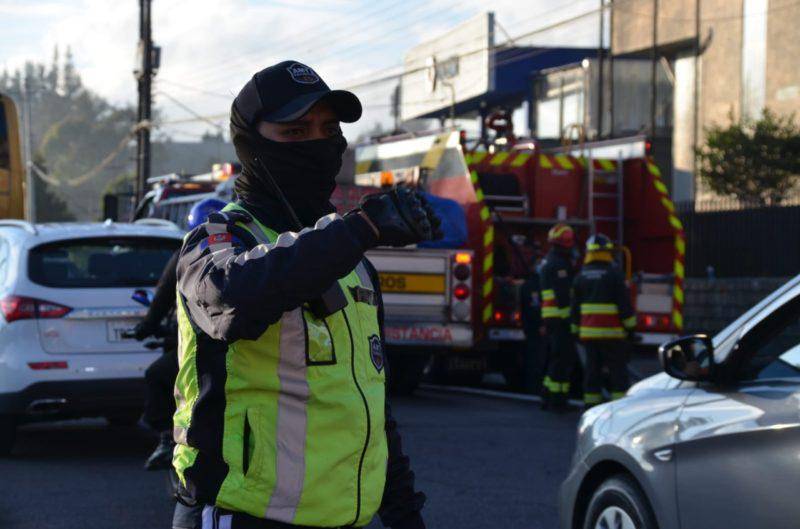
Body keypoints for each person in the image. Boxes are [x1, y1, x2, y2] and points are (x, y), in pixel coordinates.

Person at [172, 61, 437, 529]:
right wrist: (362, 228)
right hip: (243, 515)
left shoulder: (354, 260)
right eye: (295, 131)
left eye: (328, 129)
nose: (318, 143)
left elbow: (372, 407)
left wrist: (404, 514)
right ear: (252, 145)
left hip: (343, 519)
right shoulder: (220, 238)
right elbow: (232, 298)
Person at [135, 198, 228, 472]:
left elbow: (163, 297)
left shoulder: (185, 257)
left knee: (157, 376)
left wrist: (147, 325)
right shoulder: (244, 250)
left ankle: (167, 437)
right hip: (240, 346)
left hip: (200, 346)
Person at [570, 233, 637, 407]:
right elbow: (624, 305)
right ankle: (619, 407)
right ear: (607, 252)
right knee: (617, 372)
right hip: (612, 334)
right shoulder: (614, 275)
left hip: (589, 336)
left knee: (592, 372)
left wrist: (575, 331)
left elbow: (574, 308)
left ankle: (591, 407)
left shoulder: (581, 276)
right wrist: (631, 328)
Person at [537, 223, 577, 411]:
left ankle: (548, 396)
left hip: (551, 317)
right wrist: (573, 317)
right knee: (562, 359)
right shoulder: (559, 264)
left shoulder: (549, 259)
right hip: (560, 318)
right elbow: (563, 296)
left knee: (555, 358)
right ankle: (558, 400)